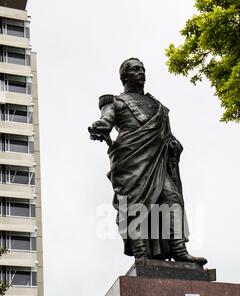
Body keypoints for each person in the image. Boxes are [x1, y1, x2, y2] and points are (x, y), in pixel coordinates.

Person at [88, 58, 207, 266]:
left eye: (143, 69)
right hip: (131, 161)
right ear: (124, 76)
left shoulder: (158, 106)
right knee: (135, 207)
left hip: (157, 162)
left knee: (172, 199)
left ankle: (179, 250)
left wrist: (174, 143)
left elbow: (168, 135)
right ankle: (141, 255)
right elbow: (106, 120)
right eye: (135, 69)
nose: (141, 72)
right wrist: (99, 127)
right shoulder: (114, 101)